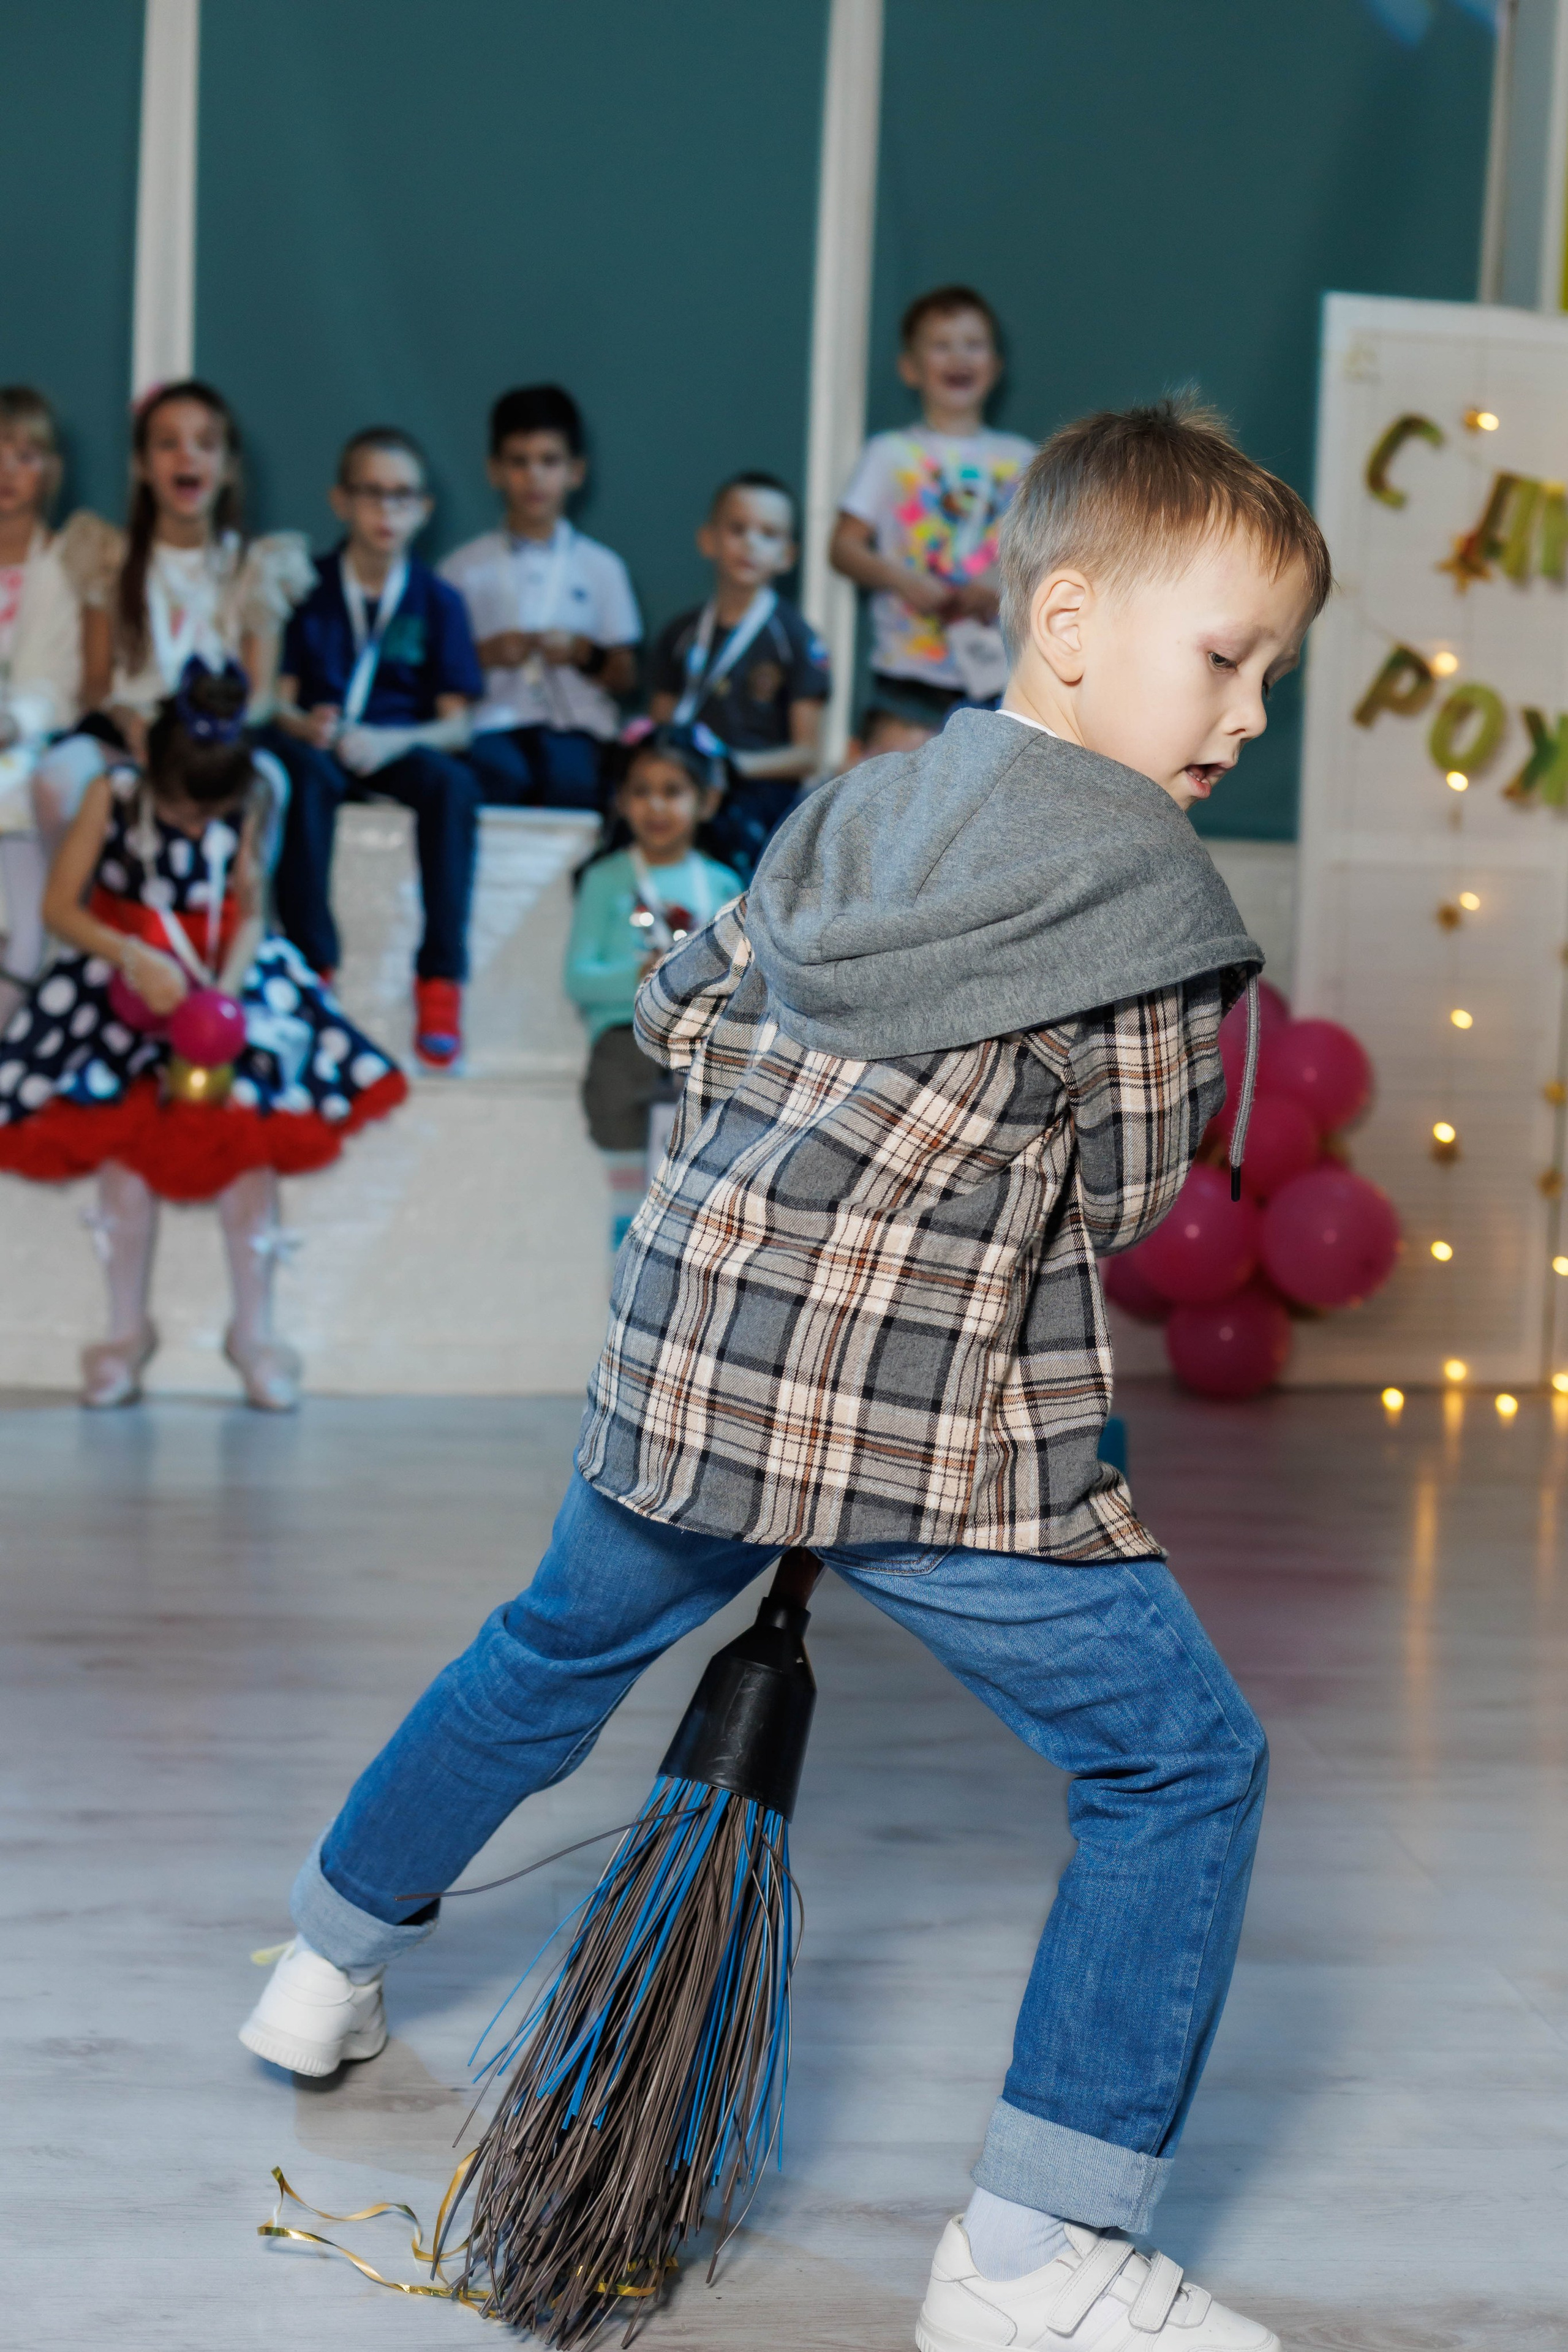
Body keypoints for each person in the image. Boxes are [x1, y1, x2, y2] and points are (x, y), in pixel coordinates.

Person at [241, 398, 1330, 2352]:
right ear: (1070, 624)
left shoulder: (858, 794)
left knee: (544, 1655)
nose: (1247, 712)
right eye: (1227, 657)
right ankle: (1036, 2254)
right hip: (916, 1434)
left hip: (683, 1365)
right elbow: (1121, 1201)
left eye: (1270, 672)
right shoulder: (1160, 910)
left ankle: (319, 1958)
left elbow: (691, 994)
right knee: (1180, 1762)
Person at [0, 660, 405, 1411]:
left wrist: (223, 997)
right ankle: (125, 1333)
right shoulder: (110, 794)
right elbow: (61, 908)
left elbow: (251, 909)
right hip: (119, 978)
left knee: (248, 1150)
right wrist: (129, 953)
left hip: (220, 976)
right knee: (125, 1149)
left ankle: (252, 1334)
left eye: (206, 816)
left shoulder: (255, 793)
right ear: (152, 769)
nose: (194, 826)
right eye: (184, 812)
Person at [26, 380, 308, 960]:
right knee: (57, 777)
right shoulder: (109, 555)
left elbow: (259, 693)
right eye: (167, 444)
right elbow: (98, 681)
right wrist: (128, 720)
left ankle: (242, 938)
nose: (187, 458)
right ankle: (80, 931)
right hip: (128, 732)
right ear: (142, 465)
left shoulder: (257, 566)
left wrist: (209, 728)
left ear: (228, 467)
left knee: (273, 783)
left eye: (205, 444)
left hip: (213, 740)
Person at [265, 427, 484, 1072]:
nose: (386, 511)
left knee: (453, 784)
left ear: (424, 508)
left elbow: (457, 727)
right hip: (320, 744)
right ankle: (313, 967)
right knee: (300, 778)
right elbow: (273, 700)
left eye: (401, 496)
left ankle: (440, 980)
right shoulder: (305, 587)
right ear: (341, 500)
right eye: (371, 494)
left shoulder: (439, 600)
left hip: (393, 743)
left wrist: (392, 739)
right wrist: (303, 723)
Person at [564, 722, 743, 1254]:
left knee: (692, 1195)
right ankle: (625, 1266)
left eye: (673, 792)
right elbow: (577, 979)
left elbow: (742, 981)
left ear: (706, 802)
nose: (656, 807)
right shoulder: (605, 878)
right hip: (623, 1046)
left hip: (700, 1054)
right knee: (630, 1199)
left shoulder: (723, 884)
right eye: (641, 792)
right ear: (621, 802)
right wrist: (640, 977)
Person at [830, 286, 1035, 727]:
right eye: (941, 346)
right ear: (910, 368)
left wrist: (1003, 576)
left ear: (995, 366)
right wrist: (900, 578)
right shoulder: (889, 454)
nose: (958, 357)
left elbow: (1057, 551)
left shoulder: (1024, 460)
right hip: (906, 675)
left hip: (1004, 678)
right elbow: (843, 547)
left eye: (973, 345)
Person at [440, 385, 639, 811]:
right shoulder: (461, 569)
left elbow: (626, 674)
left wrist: (584, 654)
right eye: (518, 462)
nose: (534, 477)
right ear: (494, 470)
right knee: (495, 779)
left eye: (550, 461)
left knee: (574, 783)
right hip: (489, 726)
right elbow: (433, 674)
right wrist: (484, 654)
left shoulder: (603, 567)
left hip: (578, 728)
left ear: (576, 471)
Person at [649, 471, 829, 875]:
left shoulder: (796, 639)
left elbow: (808, 754)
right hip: (684, 790)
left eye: (769, 534)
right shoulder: (680, 634)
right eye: (737, 529)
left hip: (755, 792)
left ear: (788, 555)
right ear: (708, 539)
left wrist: (734, 766)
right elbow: (659, 732)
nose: (751, 543)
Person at [0, 388, 88, 1025]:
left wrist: (14, 720)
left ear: (50, 470)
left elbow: (57, 682)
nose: (8, 472)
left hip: (21, 755)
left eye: (26, 456)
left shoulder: (61, 568)